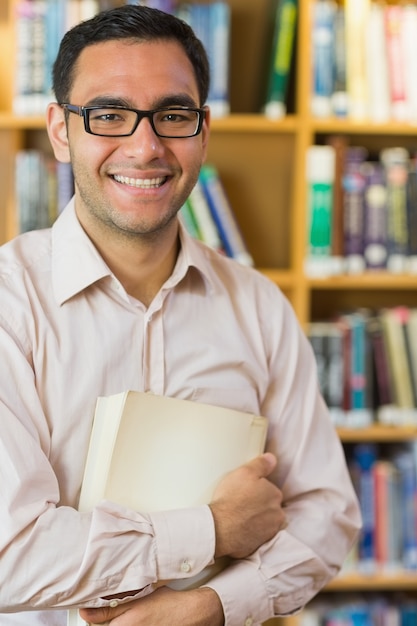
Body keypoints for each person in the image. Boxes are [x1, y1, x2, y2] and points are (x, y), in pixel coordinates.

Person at [0, 5, 361, 626]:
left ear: (203, 128)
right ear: (61, 131)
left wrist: (212, 606)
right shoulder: (9, 305)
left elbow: (326, 514)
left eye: (172, 115)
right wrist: (213, 529)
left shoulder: (258, 306)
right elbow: (9, 558)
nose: (145, 147)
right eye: (109, 115)